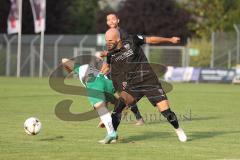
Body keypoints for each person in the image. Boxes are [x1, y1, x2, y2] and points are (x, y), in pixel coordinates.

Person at [102, 28, 187, 142]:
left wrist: (170, 39)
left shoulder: (132, 40)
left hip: (149, 81)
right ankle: (112, 135)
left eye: (110, 40)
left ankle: (178, 129)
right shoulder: (111, 55)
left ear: (118, 39)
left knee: (166, 111)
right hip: (132, 85)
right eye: (106, 40)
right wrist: (96, 74)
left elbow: (151, 39)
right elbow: (106, 68)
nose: (108, 43)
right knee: (118, 108)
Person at [96, 13, 145, 126]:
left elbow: (125, 49)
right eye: (108, 20)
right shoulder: (110, 34)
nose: (111, 21)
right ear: (107, 22)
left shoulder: (122, 33)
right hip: (116, 66)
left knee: (121, 93)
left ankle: (115, 113)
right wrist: (105, 65)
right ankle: (135, 117)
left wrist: (105, 53)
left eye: (113, 19)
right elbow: (112, 54)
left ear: (118, 20)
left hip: (125, 68)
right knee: (108, 89)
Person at [61, 58, 118, 144]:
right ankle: (120, 110)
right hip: (106, 81)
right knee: (106, 105)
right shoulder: (92, 69)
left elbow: (63, 60)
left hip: (93, 82)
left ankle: (111, 133)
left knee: (100, 107)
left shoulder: (79, 67)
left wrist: (69, 70)